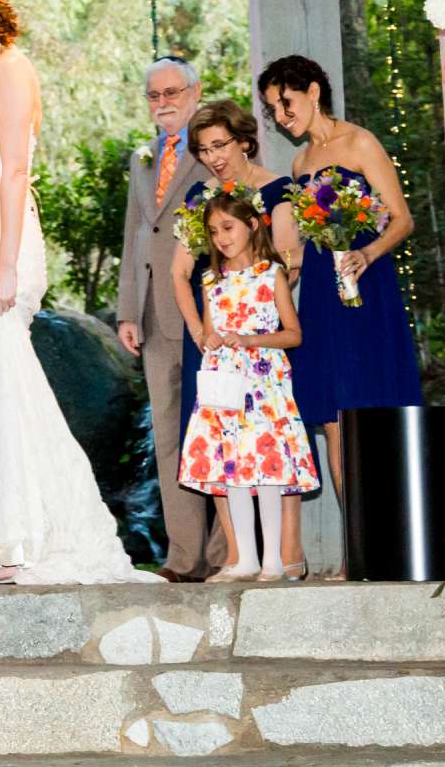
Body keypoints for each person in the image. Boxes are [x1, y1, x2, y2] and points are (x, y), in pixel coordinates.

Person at [0, 0, 152, 585]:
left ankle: (25, 539)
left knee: (9, 384)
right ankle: (1, 537)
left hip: (3, 247)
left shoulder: (14, 73)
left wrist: (4, 266)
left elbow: (16, 173)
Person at [257, 54, 424, 495]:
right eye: (273, 109)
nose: (281, 116)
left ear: (313, 91)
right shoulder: (300, 165)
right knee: (332, 418)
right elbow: (293, 246)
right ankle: (358, 548)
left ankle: (387, 534)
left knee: (369, 407)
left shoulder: (360, 143)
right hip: (318, 290)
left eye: (286, 103)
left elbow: (403, 220)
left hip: (367, 286)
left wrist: (368, 253)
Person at [176, 98, 322, 579]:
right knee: (224, 449)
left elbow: (287, 258)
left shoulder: (276, 189)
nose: (214, 156)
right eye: (203, 149)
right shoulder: (200, 199)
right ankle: (240, 555)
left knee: (273, 448)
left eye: (220, 144)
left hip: (260, 334)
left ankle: (286, 556)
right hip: (215, 332)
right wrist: (201, 331)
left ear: (243, 140)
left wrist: (261, 304)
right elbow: (180, 272)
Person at [113, 56, 216, 579]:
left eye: (172, 92)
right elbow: (136, 233)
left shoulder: (214, 146)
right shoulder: (143, 158)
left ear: (194, 92)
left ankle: (226, 556)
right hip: (154, 314)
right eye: (154, 96)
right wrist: (127, 311)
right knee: (170, 436)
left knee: (218, 429)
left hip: (207, 311)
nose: (163, 103)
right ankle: (183, 557)